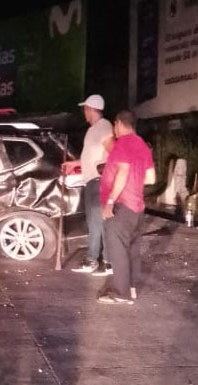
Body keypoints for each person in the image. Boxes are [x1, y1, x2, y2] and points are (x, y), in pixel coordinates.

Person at [97, 110, 155, 305]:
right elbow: (151, 178)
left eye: (114, 125)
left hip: (122, 206)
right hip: (137, 207)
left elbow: (123, 171)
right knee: (132, 250)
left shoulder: (123, 143)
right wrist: (134, 184)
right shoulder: (142, 145)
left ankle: (120, 294)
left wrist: (111, 201)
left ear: (120, 124)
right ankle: (131, 289)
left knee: (118, 250)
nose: (114, 129)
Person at [71, 94, 115, 275]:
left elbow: (114, 152)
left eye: (85, 109)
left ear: (91, 109)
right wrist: (74, 164)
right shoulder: (92, 130)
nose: (84, 112)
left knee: (100, 222)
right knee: (94, 222)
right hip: (90, 181)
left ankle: (107, 262)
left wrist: (106, 171)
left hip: (99, 181)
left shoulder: (104, 127)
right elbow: (90, 157)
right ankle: (93, 260)